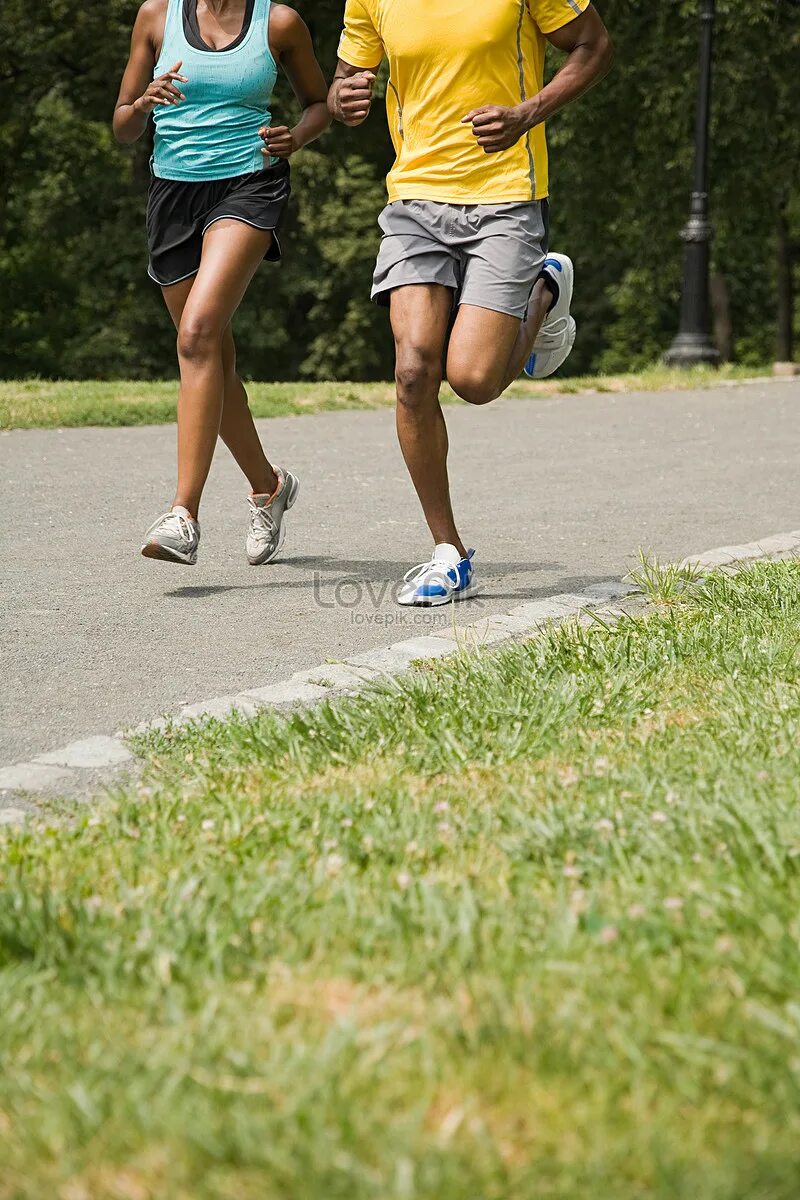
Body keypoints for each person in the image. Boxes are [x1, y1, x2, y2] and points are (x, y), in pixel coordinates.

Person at [328, 0, 613, 605]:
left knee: (475, 380)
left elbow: (592, 45)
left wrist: (527, 114)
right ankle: (448, 553)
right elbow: (346, 81)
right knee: (412, 372)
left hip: (506, 196)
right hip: (414, 200)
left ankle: (544, 290)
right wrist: (343, 101)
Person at [113, 0, 330, 565]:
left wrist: (297, 138)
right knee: (214, 364)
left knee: (197, 336)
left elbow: (319, 105)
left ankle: (183, 513)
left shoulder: (277, 22)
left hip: (250, 185)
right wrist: (142, 103)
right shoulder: (156, 17)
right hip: (173, 194)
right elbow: (122, 126)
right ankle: (270, 487)